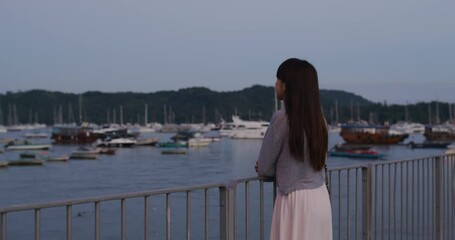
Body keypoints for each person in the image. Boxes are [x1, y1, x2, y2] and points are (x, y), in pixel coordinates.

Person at [256, 58, 332, 240]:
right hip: (320, 197)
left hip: (294, 200)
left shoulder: (281, 119)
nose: (275, 84)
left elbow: (264, 168)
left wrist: (272, 169)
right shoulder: (320, 120)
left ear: (287, 85)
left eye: (278, 79)